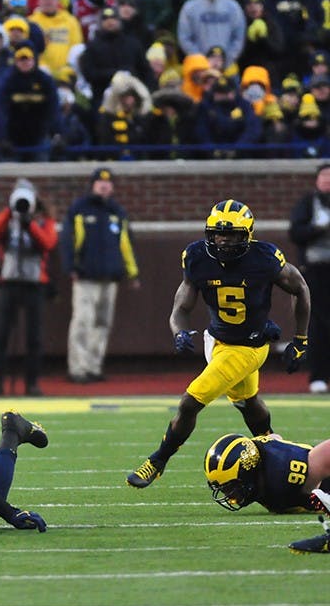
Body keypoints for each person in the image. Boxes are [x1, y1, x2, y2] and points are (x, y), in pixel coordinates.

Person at [127, 199, 311, 489]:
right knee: (247, 403)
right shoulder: (197, 256)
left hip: (249, 348)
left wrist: (301, 339)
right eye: (218, 233)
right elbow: (181, 306)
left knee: (190, 402)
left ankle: (158, 460)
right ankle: (279, 454)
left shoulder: (264, 258)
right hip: (215, 340)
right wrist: (179, 331)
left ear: (247, 235)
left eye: (232, 234)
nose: (223, 240)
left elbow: (300, 287)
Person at [61, 168, 141, 384]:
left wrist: (132, 273)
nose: (104, 186)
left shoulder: (117, 212)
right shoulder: (79, 209)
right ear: (92, 185)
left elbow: (126, 244)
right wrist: (71, 268)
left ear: (112, 187)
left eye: (108, 183)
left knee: (103, 324)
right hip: (85, 278)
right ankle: (77, 368)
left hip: (110, 279)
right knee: (82, 322)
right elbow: (68, 241)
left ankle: (94, 367)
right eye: (99, 182)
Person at [0, 178, 58, 397]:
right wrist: (9, 212)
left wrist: (30, 224)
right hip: (9, 282)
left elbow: (48, 243)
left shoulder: (44, 221)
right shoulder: (8, 219)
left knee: (34, 338)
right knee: (2, 335)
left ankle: (32, 384)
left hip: (35, 284)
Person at [202, 432, 330, 553]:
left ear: (247, 474)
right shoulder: (258, 465)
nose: (228, 496)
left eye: (230, 488)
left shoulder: (285, 472)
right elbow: (275, 438)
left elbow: (324, 453)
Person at [288, 162, 330, 394]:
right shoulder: (307, 203)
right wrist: (318, 228)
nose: (327, 181)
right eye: (324, 176)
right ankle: (319, 376)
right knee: (318, 324)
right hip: (316, 271)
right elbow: (295, 232)